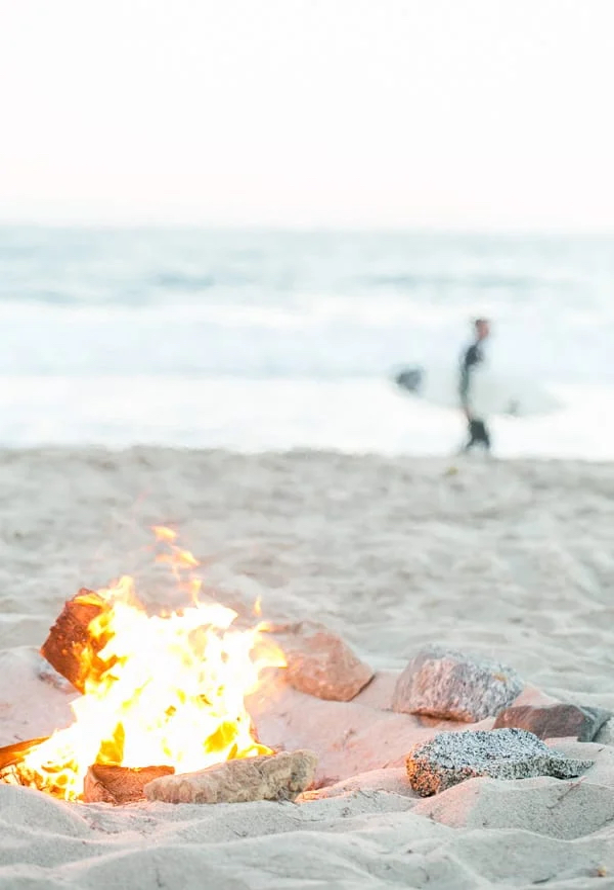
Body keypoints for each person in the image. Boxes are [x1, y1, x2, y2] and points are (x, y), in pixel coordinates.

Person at [459, 318, 491, 452]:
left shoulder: (480, 348)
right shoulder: (473, 350)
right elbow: (467, 373)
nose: (488, 331)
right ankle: (477, 441)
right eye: (484, 328)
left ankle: (476, 441)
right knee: (475, 417)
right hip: (473, 390)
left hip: (477, 391)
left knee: (478, 419)